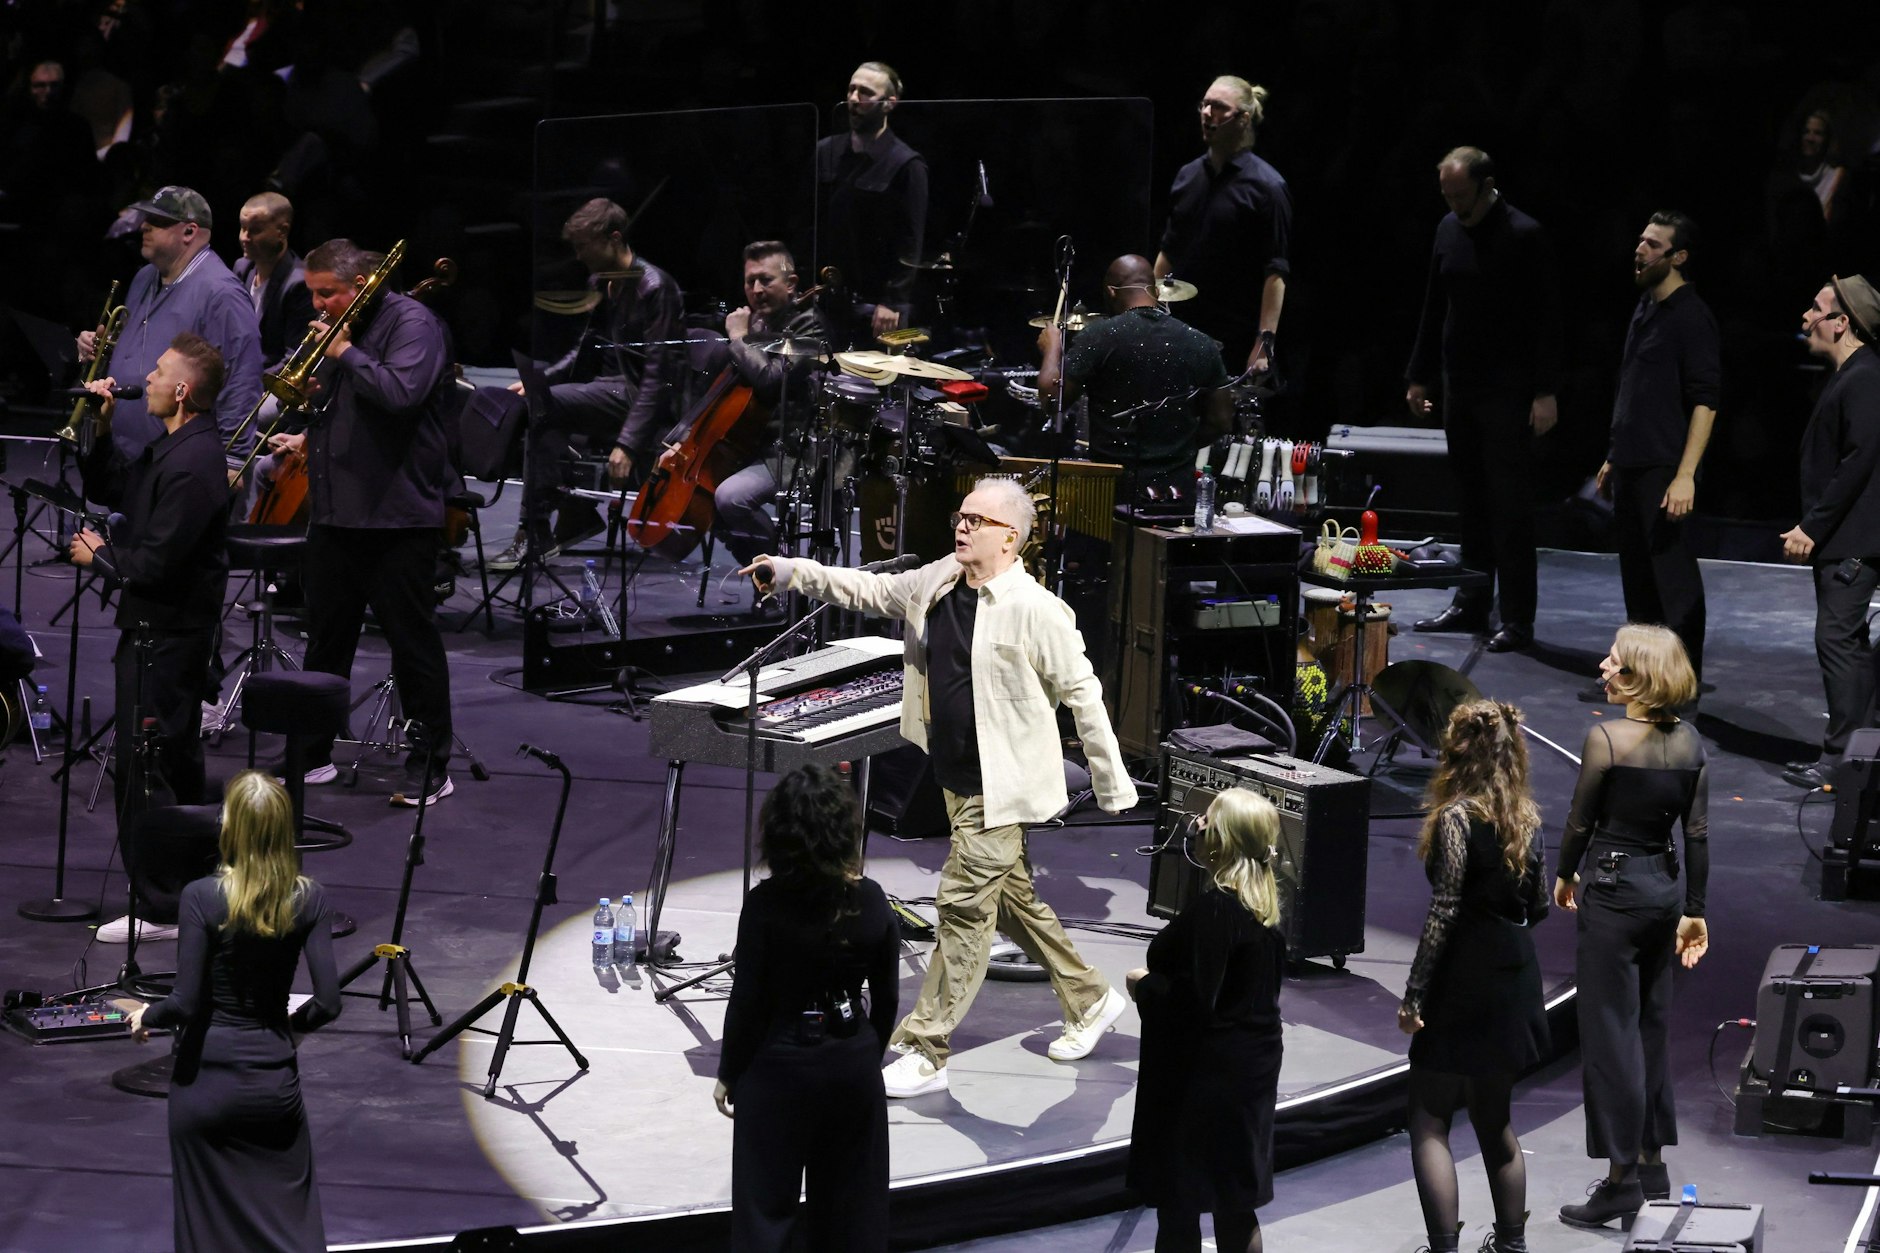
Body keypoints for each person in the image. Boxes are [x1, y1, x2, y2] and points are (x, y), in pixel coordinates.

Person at [740, 477, 1137, 1097]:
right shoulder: (940, 580)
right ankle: (1089, 999)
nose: (962, 526)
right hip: (955, 778)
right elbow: (871, 589)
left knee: (961, 909)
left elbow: (1084, 695)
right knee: (1011, 901)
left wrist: (1113, 787)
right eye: (961, 515)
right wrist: (792, 570)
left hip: (1002, 789)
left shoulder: (1036, 609)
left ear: (1011, 537)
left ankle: (925, 1048)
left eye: (977, 520)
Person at [265, 238, 456, 806]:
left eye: (328, 293)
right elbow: (349, 404)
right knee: (326, 638)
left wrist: (345, 352)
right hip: (336, 510)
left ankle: (430, 762)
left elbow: (402, 393)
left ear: (362, 283)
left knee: (411, 643)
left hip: (397, 514)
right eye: (313, 293)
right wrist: (309, 411)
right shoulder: (336, 328)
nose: (318, 304)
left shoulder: (412, 322)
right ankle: (314, 751)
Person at [128, 770, 342, 1252]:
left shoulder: (202, 896)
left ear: (232, 828)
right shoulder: (309, 897)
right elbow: (328, 1002)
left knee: (206, 1229)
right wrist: (287, 1032)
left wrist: (147, 1015)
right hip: (272, 1083)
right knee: (289, 1225)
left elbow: (184, 1001)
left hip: (205, 1083)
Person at [1555, 625, 1710, 1230]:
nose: (1602, 668)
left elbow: (1578, 821)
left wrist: (1565, 874)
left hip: (1614, 896)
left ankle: (1620, 1182)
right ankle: (1651, 1164)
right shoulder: (1692, 743)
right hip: (1665, 893)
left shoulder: (1608, 739)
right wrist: (1695, 910)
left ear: (1639, 678)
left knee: (1610, 1035)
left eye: (1614, 665)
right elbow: (1695, 835)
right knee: (1650, 1026)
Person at [713, 764, 900, 1252]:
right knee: (852, 1213)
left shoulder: (765, 904)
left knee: (764, 1209)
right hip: (851, 1064)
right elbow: (887, 999)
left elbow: (748, 1001)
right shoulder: (873, 900)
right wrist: (863, 1054)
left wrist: (730, 1072)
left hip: (778, 1067)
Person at [70, 334, 230, 884]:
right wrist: (103, 429)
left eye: (160, 372)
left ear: (182, 390)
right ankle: (184, 884)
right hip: (159, 630)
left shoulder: (193, 463)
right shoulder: (174, 447)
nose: (149, 380)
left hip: (168, 635)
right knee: (170, 759)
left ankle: (161, 899)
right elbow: (118, 489)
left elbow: (157, 562)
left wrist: (99, 557)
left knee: (148, 766)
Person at [1397, 701, 1550, 1253]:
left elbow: (1444, 908)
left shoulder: (1456, 818)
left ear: (1456, 750)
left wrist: (1414, 994)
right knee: (1496, 1120)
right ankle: (1511, 1245)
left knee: (1430, 1117)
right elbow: (1537, 908)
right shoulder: (1527, 820)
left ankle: (1444, 1248)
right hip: (1513, 976)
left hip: (1464, 977)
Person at [1406, 148, 1562, 653]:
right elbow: (1434, 306)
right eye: (1447, 196)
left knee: (1510, 508)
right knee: (1470, 501)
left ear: (1486, 185)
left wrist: (1544, 390)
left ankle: (1518, 618)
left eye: (1462, 196)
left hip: (1508, 390)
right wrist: (1420, 377)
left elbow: (1547, 319)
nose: (1455, 206)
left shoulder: (1523, 234)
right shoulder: (1448, 230)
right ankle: (1472, 602)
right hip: (1462, 386)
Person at [1126, 787, 1285, 1253]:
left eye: (1206, 820)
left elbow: (1192, 1002)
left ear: (1222, 837)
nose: (1196, 826)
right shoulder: (1262, 908)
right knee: (1234, 1203)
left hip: (1204, 1079)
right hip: (1249, 1071)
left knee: (1181, 1203)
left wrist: (1145, 986)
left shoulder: (1217, 910)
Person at [493, 197, 684, 569]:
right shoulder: (602, 281)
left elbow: (659, 376)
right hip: (612, 388)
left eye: (584, 246)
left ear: (613, 238)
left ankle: (538, 533)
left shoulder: (654, 286)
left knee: (545, 406)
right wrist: (540, 382)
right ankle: (570, 514)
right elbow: (584, 349)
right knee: (539, 401)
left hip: (641, 395)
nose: (578, 255)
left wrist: (628, 443)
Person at [1582, 212, 1720, 700]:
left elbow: (1706, 400)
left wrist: (1686, 475)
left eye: (1652, 244)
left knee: (1674, 585)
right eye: (1640, 239)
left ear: (1677, 257)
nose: (1639, 250)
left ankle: (1683, 689)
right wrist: (1614, 455)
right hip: (1633, 463)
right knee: (1638, 582)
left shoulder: (1691, 316)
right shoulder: (1645, 307)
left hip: (1665, 467)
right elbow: (1634, 389)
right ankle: (1639, 682)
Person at [1780, 275, 1880, 790]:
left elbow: (1859, 461)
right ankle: (1860, 755)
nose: (1805, 317)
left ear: (1843, 323)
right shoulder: (1852, 374)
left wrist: (1811, 528)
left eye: (1816, 309)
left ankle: (1845, 759)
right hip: (1848, 537)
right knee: (1849, 643)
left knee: (1836, 638)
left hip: (1852, 540)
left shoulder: (1863, 377)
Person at [77, 185, 264, 463]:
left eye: (157, 222)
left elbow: (241, 378)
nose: (144, 227)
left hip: (177, 463)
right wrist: (99, 348)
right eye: (145, 219)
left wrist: (233, 459)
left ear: (189, 232)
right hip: (125, 455)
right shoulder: (144, 277)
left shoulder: (222, 294)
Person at [1037, 254, 1233, 501]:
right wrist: (1176, 448)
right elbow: (1221, 421)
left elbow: (1052, 400)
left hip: (1112, 491)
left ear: (1110, 292)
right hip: (1178, 490)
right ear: (1157, 293)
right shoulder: (1201, 343)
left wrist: (1052, 347)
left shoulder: (1098, 337)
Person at [694, 240, 833, 569]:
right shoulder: (758, 324)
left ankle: (780, 575)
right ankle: (768, 574)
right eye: (749, 281)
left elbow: (773, 381)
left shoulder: (809, 325)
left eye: (766, 280)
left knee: (731, 497)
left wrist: (739, 338)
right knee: (699, 495)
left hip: (794, 449)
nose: (756, 290)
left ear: (791, 284)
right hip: (751, 444)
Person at [1155, 76, 1293, 377]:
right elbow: (1169, 252)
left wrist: (1263, 342)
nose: (1207, 112)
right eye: (1204, 104)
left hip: (1235, 333)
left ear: (1243, 118)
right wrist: (1145, 316)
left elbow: (1276, 271)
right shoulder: (1187, 176)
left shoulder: (1267, 187)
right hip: (1182, 327)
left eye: (1218, 107)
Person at [815, 61, 928, 346]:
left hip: (877, 305)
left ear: (889, 103)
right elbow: (810, 221)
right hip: (829, 298)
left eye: (865, 92)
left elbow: (911, 241)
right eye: (851, 89)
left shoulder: (906, 164)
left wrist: (893, 300)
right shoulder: (826, 151)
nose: (853, 98)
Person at [233, 191, 315, 370]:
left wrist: (248, 384)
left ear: (282, 231)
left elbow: (293, 356)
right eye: (242, 227)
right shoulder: (242, 268)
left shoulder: (299, 284)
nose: (244, 237)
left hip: (265, 384)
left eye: (255, 230)